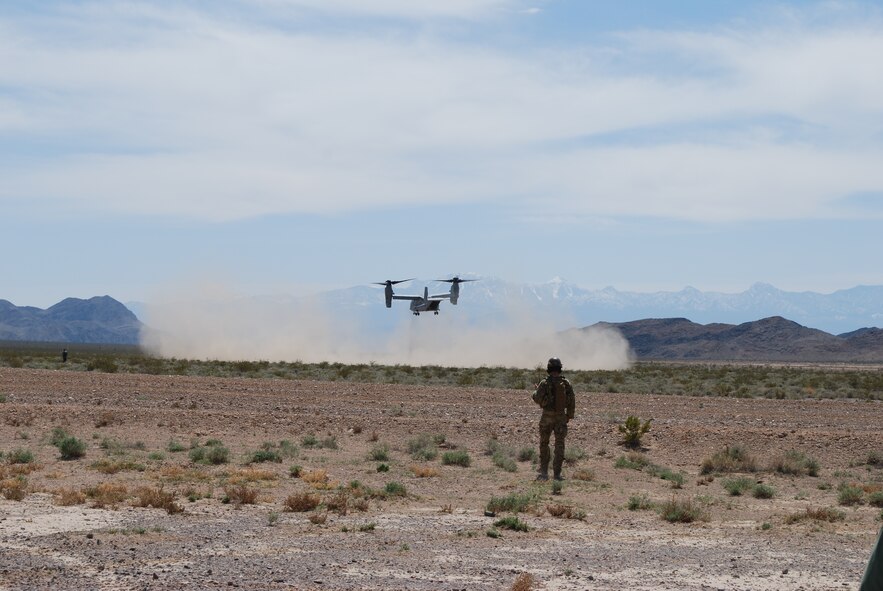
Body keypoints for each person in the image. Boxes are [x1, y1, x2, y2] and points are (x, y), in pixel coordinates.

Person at [531, 357, 575, 481]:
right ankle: (557, 474)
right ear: (560, 368)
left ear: (549, 368)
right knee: (559, 445)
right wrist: (568, 416)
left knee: (544, 444)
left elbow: (537, 399)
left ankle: (544, 473)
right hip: (561, 417)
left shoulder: (544, 383)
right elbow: (572, 401)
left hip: (546, 418)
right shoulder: (566, 383)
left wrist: (534, 391)